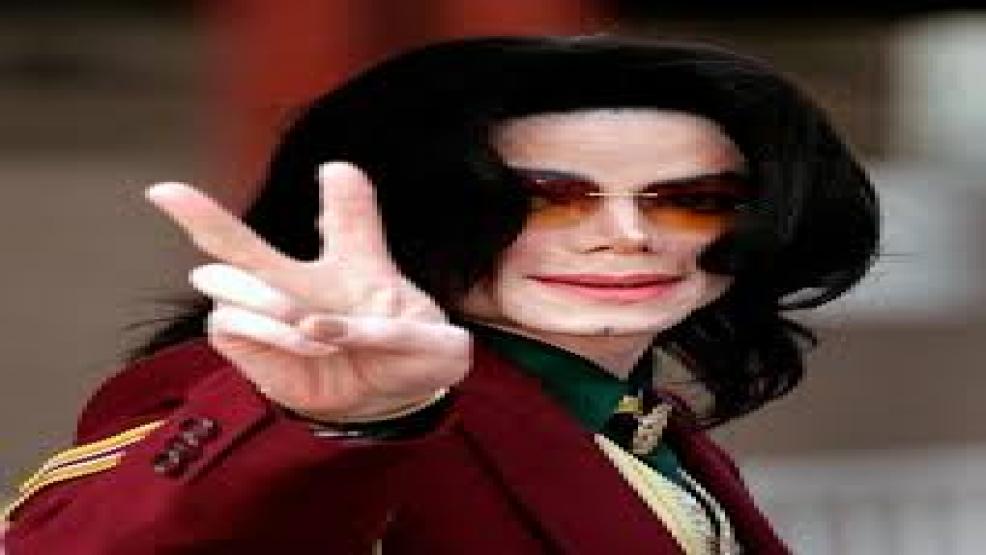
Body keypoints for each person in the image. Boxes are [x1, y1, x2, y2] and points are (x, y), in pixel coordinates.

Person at [2, 35, 878, 554]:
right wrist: (327, 424)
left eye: (694, 200)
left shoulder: (642, 423)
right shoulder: (294, 404)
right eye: (546, 197)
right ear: (409, 211)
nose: (627, 234)